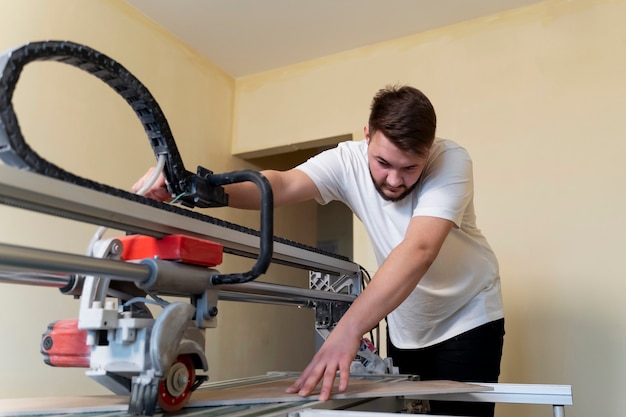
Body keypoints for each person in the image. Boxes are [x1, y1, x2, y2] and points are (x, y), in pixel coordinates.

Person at [133, 85, 504, 417]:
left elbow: (420, 248)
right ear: (367, 136)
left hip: (468, 317)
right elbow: (278, 184)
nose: (394, 179)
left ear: (430, 150)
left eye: (410, 168)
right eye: (383, 163)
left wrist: (347, 330)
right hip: (407, 323)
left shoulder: (451, 160)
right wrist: (193, 188)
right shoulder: (347, 160)